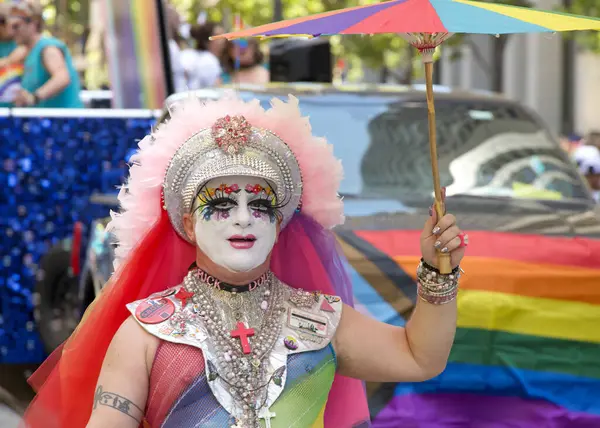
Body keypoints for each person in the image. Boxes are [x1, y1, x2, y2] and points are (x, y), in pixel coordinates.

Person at [23, 95, 467, 427]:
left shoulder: (318, 318)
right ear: (189, 224)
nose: (242, 219)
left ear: (280, 222)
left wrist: (438, 272)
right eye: (219, 205)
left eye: (260, 206)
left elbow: (418, 357)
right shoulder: (147, 329)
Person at [9, 2, 82, 108]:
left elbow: (62, 77)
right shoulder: (28, 51)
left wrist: (34, 97)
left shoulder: (48, 48)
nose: (12, 32)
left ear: (34, 23)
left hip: (63, 121)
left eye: (16, 26)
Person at [180, 22, 224, 89]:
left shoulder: (187, 54)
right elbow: (217, 89)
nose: (223, 39)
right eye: (217, 36)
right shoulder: (209, 60)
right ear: (206, 41)